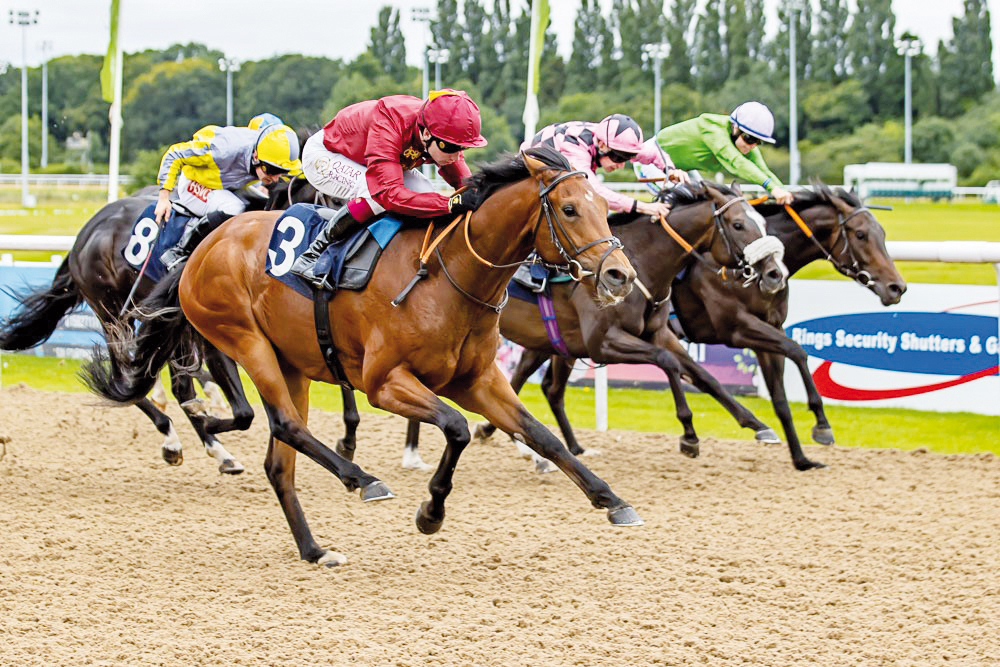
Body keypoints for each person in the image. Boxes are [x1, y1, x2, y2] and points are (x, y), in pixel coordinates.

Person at [290, 89, 487, 289]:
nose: (457, 155)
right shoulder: (392, 120)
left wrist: (477, 193)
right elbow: (389, 195)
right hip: (326, 155)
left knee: (426, 192)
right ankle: (311, 255)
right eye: (452, 147)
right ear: (427, 133)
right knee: (375, 196)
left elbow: (464, 182)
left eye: (463, 148)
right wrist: (450, 203)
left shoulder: (436, 130)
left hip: (368, 158)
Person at [155, 122, 302, 270]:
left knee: (260, 203)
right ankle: (179, 252)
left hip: (227, 186)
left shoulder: (269, 155)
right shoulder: (222, 149)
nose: (275, 178)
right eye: (271, 170)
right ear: (256, 156)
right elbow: (174, 153)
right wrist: (163, 198)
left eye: (280, 172)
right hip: (195, 182)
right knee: (233, 207)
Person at [523, 114, 688, 220]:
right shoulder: (576, 149)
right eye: (618, 158)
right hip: (529, 172)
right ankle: (533, 265)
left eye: (628, 158)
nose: (621, 165)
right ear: (601, 145)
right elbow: (594, 192)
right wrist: (643, 206)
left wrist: (671, 170)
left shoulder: (617, 143)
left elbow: (653, 153)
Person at [636, 101, 793, 205]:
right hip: (652, 164)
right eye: (750, 139)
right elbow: (737, 163)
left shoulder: (743, 142)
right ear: (735, 128)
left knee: (704, 203)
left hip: (681, 171)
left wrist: (785, 193)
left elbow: (764, 171)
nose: (752, 146)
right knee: (684, 207)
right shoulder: (714, 131)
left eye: (758, 142)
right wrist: (772, 188)